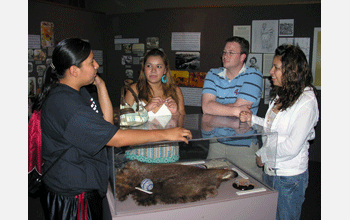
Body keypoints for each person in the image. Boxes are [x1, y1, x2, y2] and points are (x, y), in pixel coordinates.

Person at [30, 38, 192, 220]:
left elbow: (106, 123)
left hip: (82, 187)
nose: (97, 65)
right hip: (73, 194)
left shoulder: (77, 92)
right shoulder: (66, 104)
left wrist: (101, 85)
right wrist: (165, 134)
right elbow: (115, 137)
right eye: (91, 62)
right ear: (74, 70)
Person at [239, 44, 319, 220]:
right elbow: (273, 129)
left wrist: (263, 154)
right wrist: (252, 119)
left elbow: (291, 146)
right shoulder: (282, 95)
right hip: (270, 171)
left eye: (276, 67)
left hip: (288, 178)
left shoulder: (307, 102)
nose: (271, 72)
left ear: (292, 71)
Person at [123, 48, 185, 163]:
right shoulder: (133, 90)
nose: (153, 71)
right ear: (143, 68)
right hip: (139, 152)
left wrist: (175, 114)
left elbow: (180, 127)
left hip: (168, 152)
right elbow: (124, 123)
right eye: (149, 66)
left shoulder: (175, 91)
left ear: (165, 70)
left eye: (159, 66)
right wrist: (145, 110)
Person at [201, 36, 263, 117]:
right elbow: (206, 108)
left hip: (241, 129)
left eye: (231, 53)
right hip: (215, 129)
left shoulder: (254, 75)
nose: (225, 56)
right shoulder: (213, 74)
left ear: (242, 57)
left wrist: (214, 108)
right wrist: (235, 111)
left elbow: (242, 108)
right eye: (224, 52)